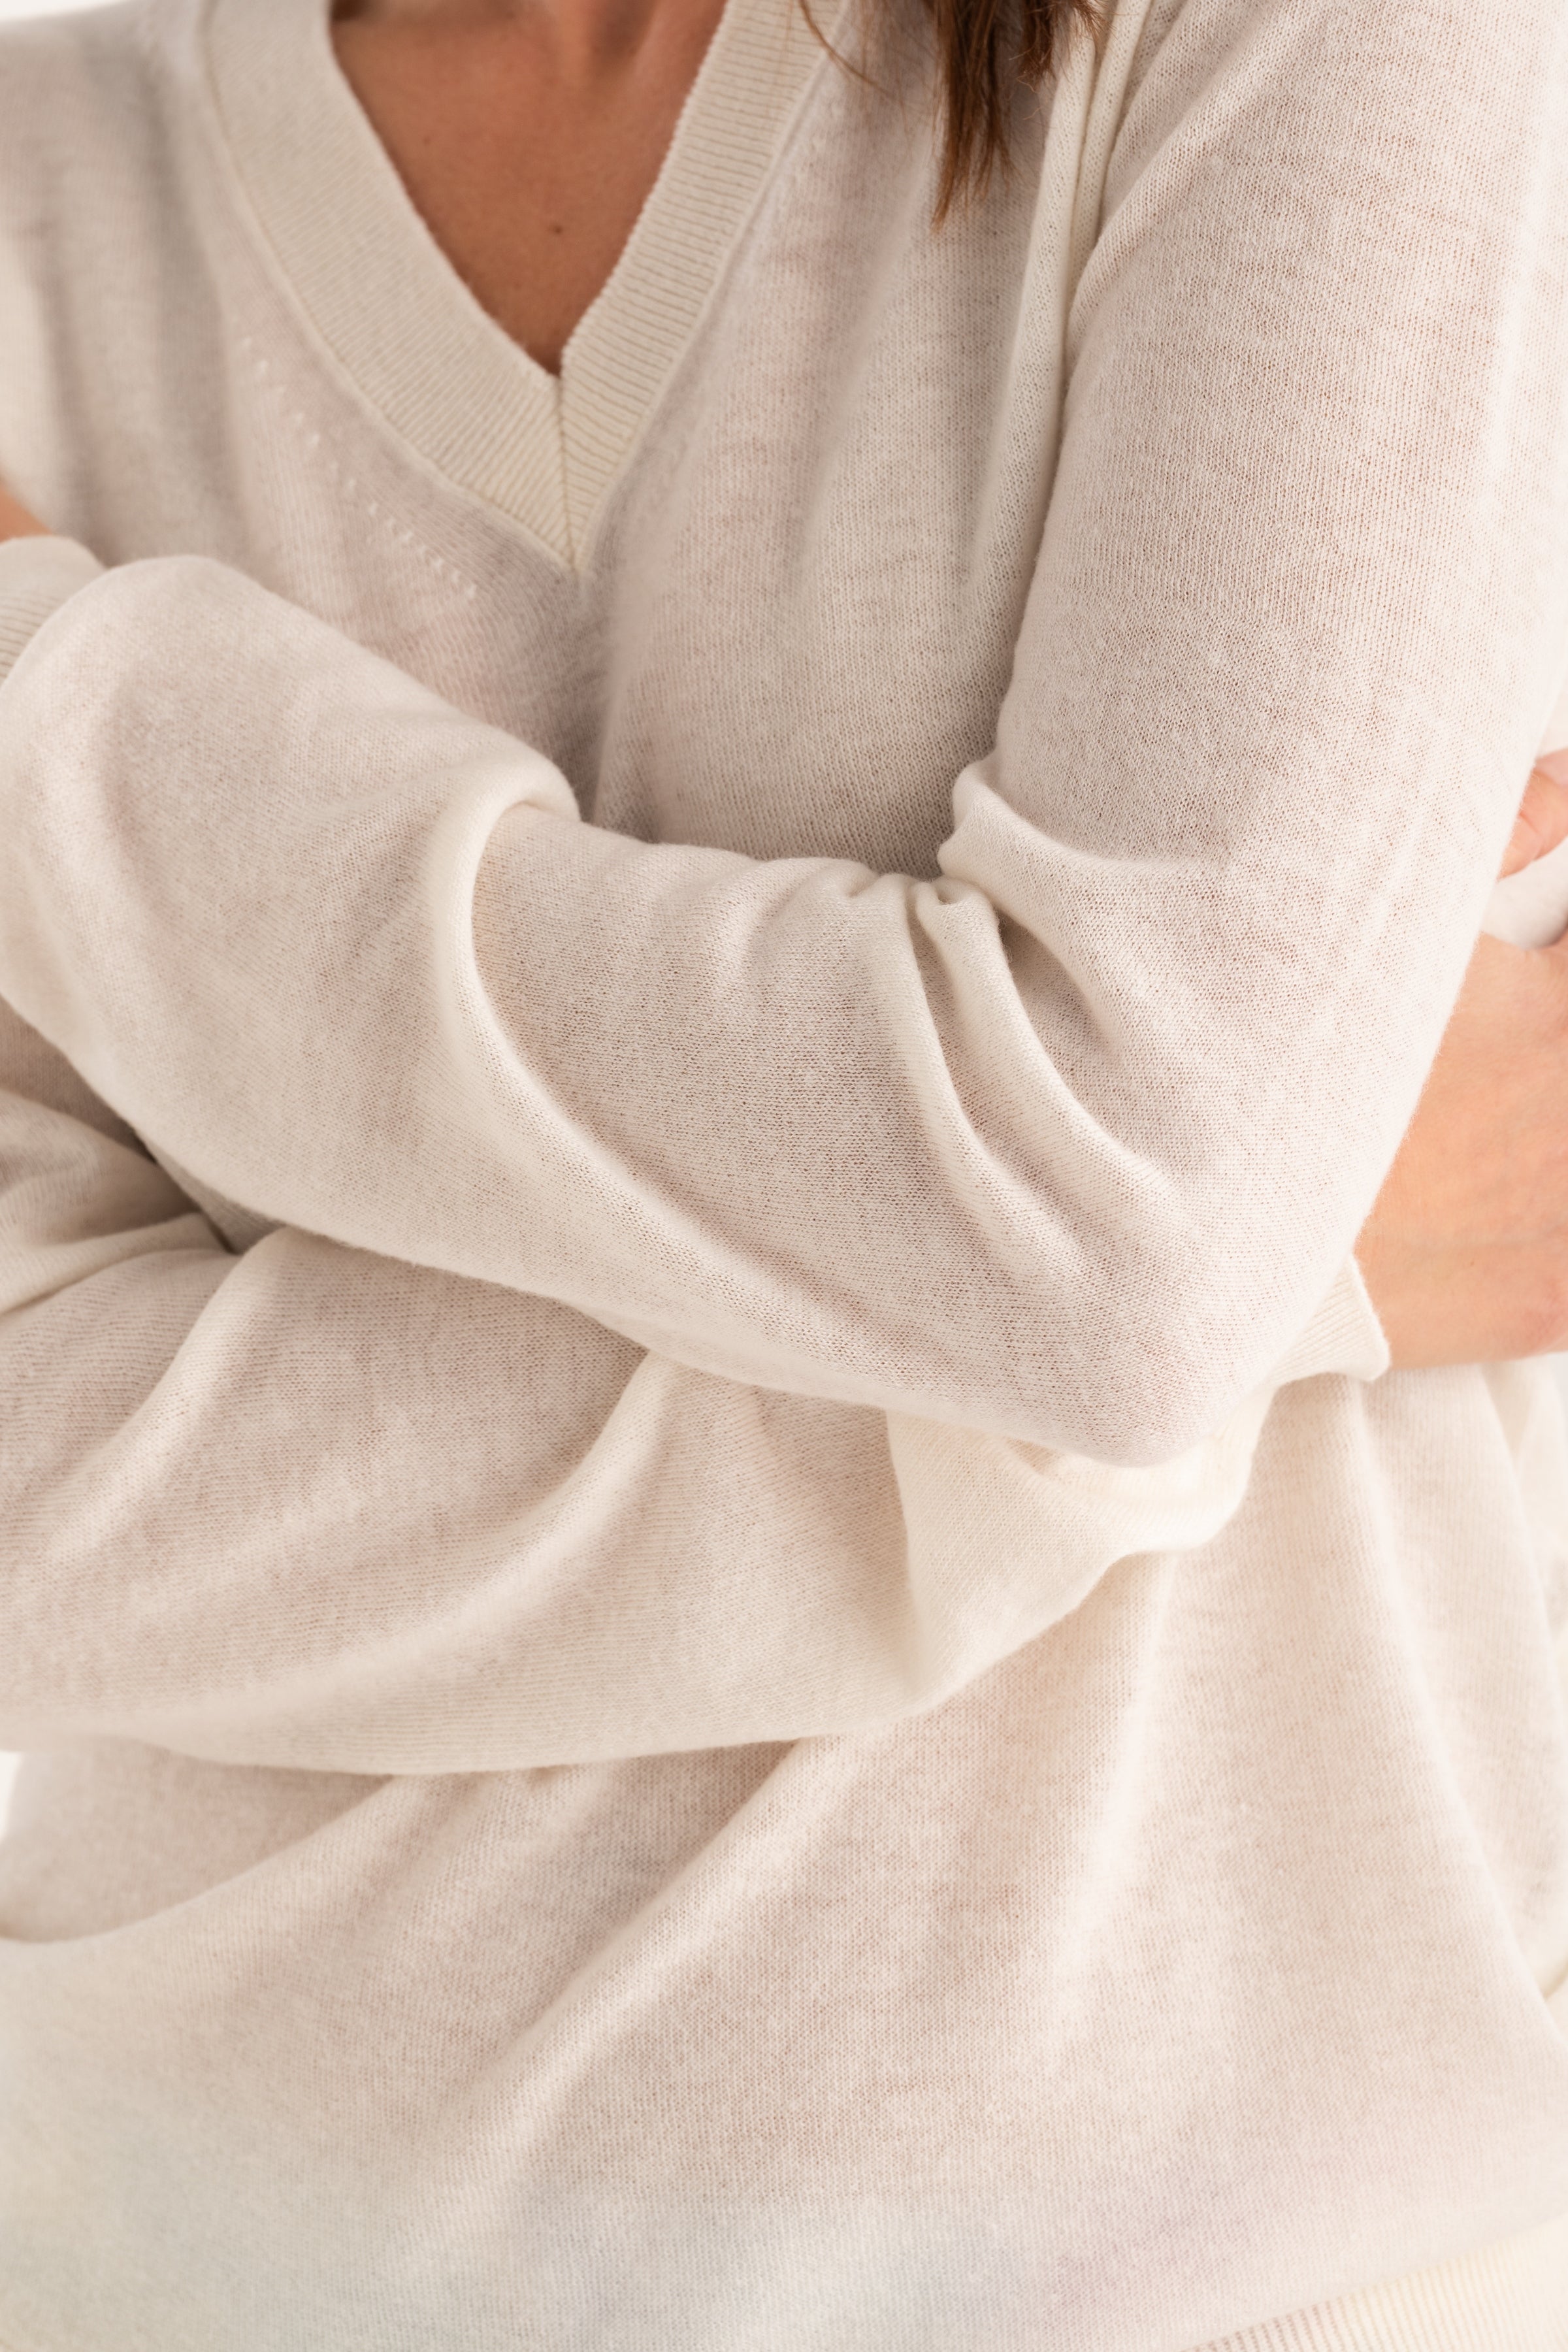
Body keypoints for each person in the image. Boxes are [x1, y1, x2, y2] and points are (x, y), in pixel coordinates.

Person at [1, 0, 1567, 2342]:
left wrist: (63, 715)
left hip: (1257, 2278)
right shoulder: (40, 186)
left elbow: (1111, 1241)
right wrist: (1265, 1281)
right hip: (184, 2267)